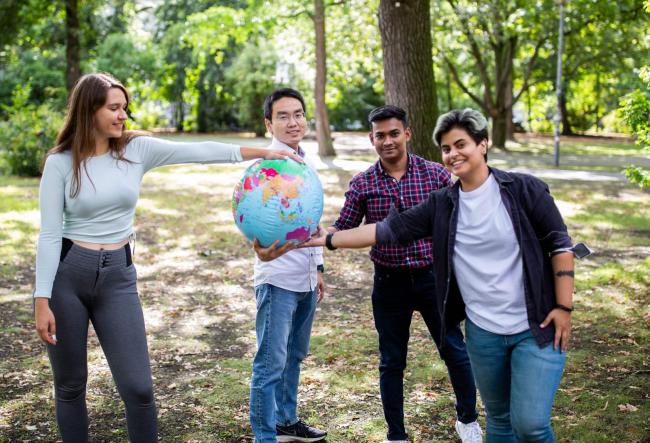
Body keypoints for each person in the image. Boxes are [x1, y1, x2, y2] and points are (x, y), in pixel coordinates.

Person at [33, 72, 302, 443]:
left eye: (124, 108)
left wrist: (265, 152)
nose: (122, 115)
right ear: (88, 110)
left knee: (139, 389)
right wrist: (41, 299)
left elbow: (201, 152)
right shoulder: (60, 163)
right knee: (70, 385)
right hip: (68, 276)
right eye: (113, 108)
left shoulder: (135, 150)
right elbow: (48, 234)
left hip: (118, 276)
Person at [303, 108, 575, 443]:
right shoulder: (441, 203)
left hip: (531, 323)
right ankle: (400, 433)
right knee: (500, 423)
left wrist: (564, 307)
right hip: (477, 326)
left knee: (530, 425)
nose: (453, 154)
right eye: (447, 148)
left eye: (461, 144)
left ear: (483, 144)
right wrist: (326, 239)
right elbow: (386, 230)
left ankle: (475, 420)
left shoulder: (523, 189)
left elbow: (560, 244)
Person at [325, 105, 481, 443]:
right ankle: (396, 435)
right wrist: (312, 238)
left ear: (407, 134)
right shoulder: (363, 183)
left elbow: (462, 222)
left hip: (432, 279)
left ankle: (467, 419)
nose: (388, 140)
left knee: (454, 349)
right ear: (371, 139)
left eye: (394, 133)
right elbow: (342, 228)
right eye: (380, 135)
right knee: (391, 361)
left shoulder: (435, 175)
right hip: (389, 283)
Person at [249, 88, 328, 443]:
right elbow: (253, 216)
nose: (293, 121)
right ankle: (265, 436)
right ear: (269, 123)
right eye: (283, 115)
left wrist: (320, 269)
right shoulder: (266, 168)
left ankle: (286, 421)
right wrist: (258, 249)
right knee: (269, 364)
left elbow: (312, 220)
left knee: (294, 357)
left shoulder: (302, 161)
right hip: (277, 280)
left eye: (298, 114)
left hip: (306, 279)